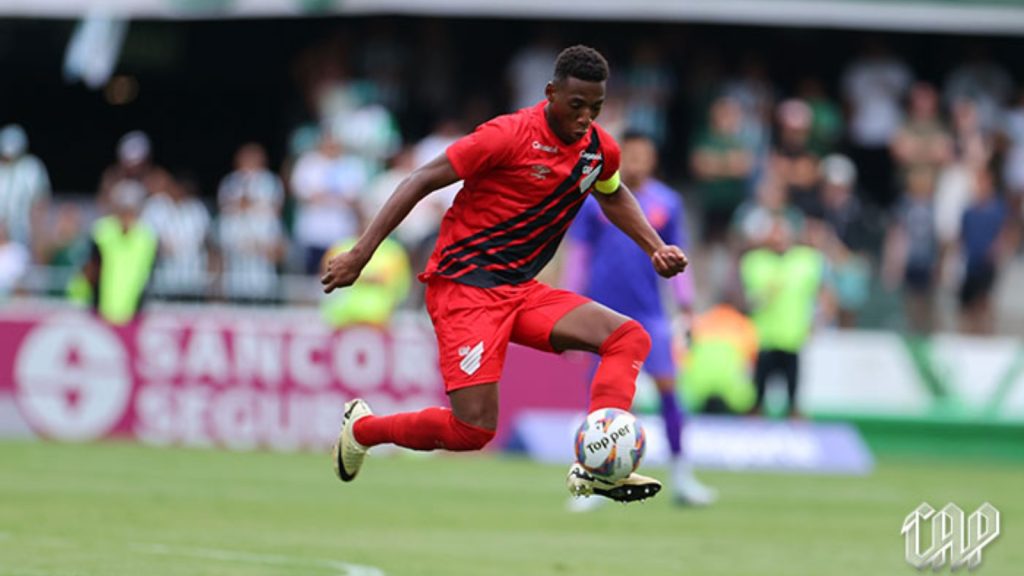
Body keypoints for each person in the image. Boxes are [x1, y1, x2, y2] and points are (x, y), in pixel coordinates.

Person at [320, 46, 689, 503]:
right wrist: (362, 253)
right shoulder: (507, 135)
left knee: (628, 338)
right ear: (551, 93)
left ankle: (599, 462)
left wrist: (655, 247)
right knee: (472, 430)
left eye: (595, 108)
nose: (585, 118)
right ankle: (363, 429)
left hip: (520, 290)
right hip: (464, 288)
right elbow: (421, 179)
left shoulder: (597, 149)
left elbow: (612, 194)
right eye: (576, 106)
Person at [563, 131, 716, 507]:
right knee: (602, 403)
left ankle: (682, 476)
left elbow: (679, 255)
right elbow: (579, 255)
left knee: (669, 391)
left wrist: (686, 304)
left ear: (653, 159)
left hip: (650, 316)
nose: (636, 161)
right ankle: (596, 483)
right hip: (603, 317)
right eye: (629, 154)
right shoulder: (593, 200)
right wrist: (568, 305)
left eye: (643, 155)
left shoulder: (667, 202)